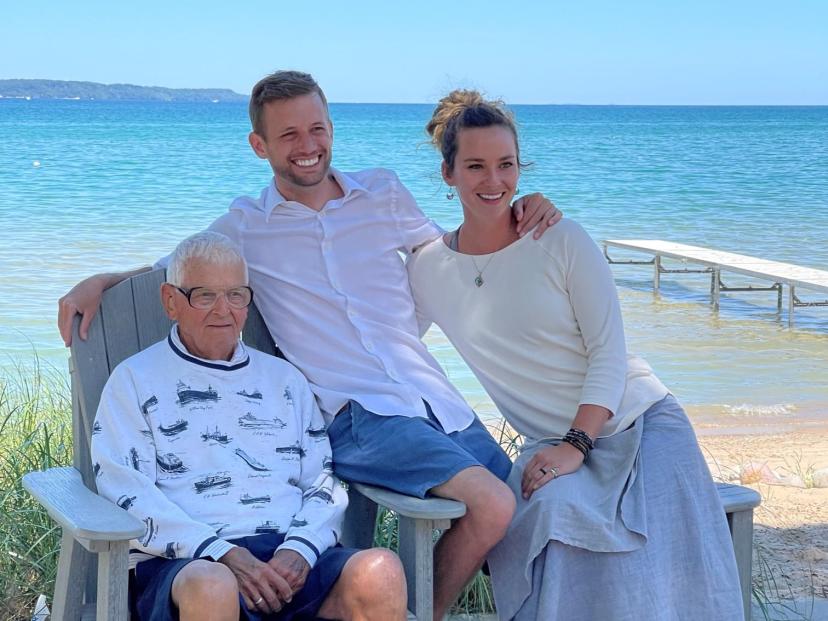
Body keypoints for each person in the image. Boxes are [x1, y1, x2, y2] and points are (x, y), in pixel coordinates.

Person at [58, 70, 562, 619]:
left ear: (331, 128)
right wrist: (102, 281)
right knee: (492, 506)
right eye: (289, 134)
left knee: (536, 509)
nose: (308, 146)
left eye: (316, 129)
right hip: (357, 414)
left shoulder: (383, 193)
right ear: (260, 146)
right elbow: (179, 270)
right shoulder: (247, 225)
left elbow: (454, 257)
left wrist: (517, 212)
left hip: (432, 398)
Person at [406, 90, 745, 620]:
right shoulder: (426, 268)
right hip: (550, 443)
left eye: (506, 165)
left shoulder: (560, 239)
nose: (493, 181)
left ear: (521, 168)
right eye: (475, 166)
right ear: (447, 174)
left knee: (657, 565)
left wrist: (576, 444)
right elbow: (392, 343)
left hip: (640, 423)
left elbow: (609, 352)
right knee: (556, 520)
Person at [91, 231, 407, 621]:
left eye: (236, 295)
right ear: (170, 301)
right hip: (188, 563)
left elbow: (322, 479)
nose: (224, 311)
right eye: (204, 295)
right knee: (213, 585)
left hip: (287, 557)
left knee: (380, 573)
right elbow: (125, 489)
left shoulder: (284, 380)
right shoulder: (134, 381)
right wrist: (221, 552)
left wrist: (301, 548)